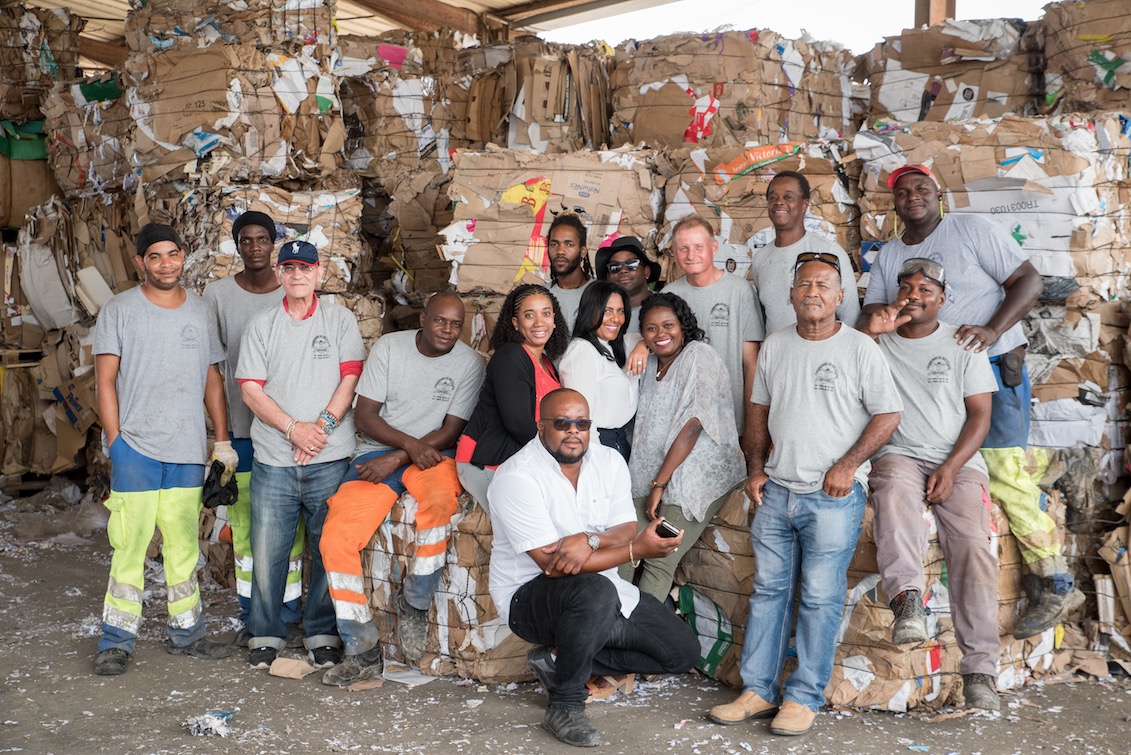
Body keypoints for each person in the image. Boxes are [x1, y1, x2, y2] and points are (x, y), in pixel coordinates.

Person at [858, 164, 1080, 638]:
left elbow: (1029, 281)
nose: (912, 197)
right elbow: (871, 313)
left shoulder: (971, 229)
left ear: (938, 195)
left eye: (922, 189)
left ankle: (1054, 579)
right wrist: (893, 316)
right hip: (935, 383)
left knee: (999, 467)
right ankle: (1045, 464)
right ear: (893, 203)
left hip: (993, 365)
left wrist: (992, 331)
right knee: (985, 460)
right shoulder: (891, 254)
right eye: (902, 192)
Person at [709, 253, 902, 736]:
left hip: (832, 495)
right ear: (790, 295)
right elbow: (757, 412)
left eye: (824, 285)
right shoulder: (775, 346)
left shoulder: (860, 348)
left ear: (840, 297)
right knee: (770, 591)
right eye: (804, 284)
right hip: (776, 490)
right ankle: (758, 690)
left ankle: (804, 697)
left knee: (819, 596)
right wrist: (755, 469)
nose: (813, 291)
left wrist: (849, 464)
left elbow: (888, 416)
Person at [488, 388, 700, 748]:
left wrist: (590, 539)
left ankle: (560, 657)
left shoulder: (609, 461)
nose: (574, 431)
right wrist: (636, 550)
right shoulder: (516, 477)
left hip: (603, 593)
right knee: (593, 590)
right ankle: (564, 705)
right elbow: (553, 567)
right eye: (562, 423)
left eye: (582, 423)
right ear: (541, 427)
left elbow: (624, 528)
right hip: (530, 597)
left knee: (681, 653)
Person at [92, 223, 237, 675]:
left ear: (183, 257)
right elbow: (105, 381)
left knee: (182, 546)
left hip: (187, 449)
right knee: (129, 545)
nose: (165, 263)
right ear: (141, 262)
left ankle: (187, 633)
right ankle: (116, 640)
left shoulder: (199, 312)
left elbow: (212, 378)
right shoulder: (118, 311)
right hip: (135, 447)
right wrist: (116, 442)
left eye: (172, 254)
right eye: (155, 256)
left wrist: (222, 438)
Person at [319, 293, 485, 686]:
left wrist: (400, 457)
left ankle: (415, 600)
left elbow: (451, 428)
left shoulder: (469, 363)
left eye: (456, 324)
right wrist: (399, 450)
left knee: (441, 504)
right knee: (335, 537)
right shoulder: (390, 348)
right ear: (423, 318)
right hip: (376, 450)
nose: (448, 330)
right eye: (440, 321)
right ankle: (361, 646)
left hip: (433, 453)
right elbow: (364, 414)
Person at [868, 258, 1002, 711]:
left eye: (926, 289)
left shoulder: (965, 342)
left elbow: (982, 415)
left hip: (959, 457)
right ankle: (907, 604)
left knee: (974, 549)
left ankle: (980, 671)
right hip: (900, 452)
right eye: (906, 287)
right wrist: (873, 325)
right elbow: (839, 350)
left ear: (943, 299)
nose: (915, 295)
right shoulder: (878, 341)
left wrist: (951, 466)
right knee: (893, 494)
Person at [237, 240, 365, 670]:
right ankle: (265, 633)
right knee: (268, 551)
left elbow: (350, 380)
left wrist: (320, 430)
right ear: (278, 274)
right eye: (288, 268)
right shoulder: (261, 325)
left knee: (327, 549)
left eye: (304, 268)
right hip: (274, 459)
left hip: (329, 458)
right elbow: (250, 390)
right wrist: (294, 429)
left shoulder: (339, 319)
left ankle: (321, 633)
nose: (296, 275)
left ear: (319, 273)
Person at [203, 211, 304, 648]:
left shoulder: (293, 291)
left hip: (290, 432)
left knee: (290, 525)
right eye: (246, 240)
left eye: (263, 239)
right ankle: (252, 611)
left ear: (275, 243)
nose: (255, 247)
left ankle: (289, 610)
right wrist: (221, 436)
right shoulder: (218, 295)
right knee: (245, 523)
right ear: (237, 245)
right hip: (243, 429)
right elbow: (213, 367)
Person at [622, 292, 745, 601]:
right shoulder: (648, 363)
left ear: (683, 325)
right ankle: (610, 632)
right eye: (651, 329)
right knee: (622, 548)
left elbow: (692, 426)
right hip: (651, 476)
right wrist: (640, 344)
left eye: (668, 325)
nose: (661, 334)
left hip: (695, 476)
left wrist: (659, 485)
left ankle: (637, 642)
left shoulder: (698, 356)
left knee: (660, 559)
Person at [455, 283, 570, 509]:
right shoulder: (510, 356)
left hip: (521, 459)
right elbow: (518, 424)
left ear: (554, 319)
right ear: (516, 323)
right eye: (529, 315)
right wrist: (560, 456)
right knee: (525, 534)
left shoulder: (545, 361)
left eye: (545, 313)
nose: (539, 322)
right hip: (489, 461)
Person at [658, 214, 765, 451]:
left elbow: (751, 363)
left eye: (698, 247)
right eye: (683, 248)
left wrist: (751, 424)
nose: (691, 255)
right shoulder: (668, 296)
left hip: (730, 417)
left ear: (714, 247)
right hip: (682, 420)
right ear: (674, 252)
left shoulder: (740, 291)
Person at [751, 170, 859, 334]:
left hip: (822, 355)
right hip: (778, 356)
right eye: (773, 197)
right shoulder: (761, 258)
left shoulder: (829, 252)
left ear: (804, 204)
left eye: (788, 197)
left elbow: (851, 318)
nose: (779, 202)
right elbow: (763, 319)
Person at [558, 281, 639, 460]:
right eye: (607, 310)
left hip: (620, 442)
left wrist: (643, 346)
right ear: (590, 311)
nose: (616, 319)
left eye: (620, 311)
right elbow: (580, 418)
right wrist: (594, 461)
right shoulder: (582, 350)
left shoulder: (616, 346)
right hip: (599, 444)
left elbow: (653, 335)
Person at [594, 235, 660, 350]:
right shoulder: (598, 312)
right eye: (615, 267)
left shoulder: (665, 307)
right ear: (608, 277)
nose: (623, 270)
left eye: (631, 265)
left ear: (646, 271)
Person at [547, 214, 594, 332]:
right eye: (554, 244)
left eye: (569, 244)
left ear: (583, 251)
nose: (560, 251)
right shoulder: (542, 295)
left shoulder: (599, 293)